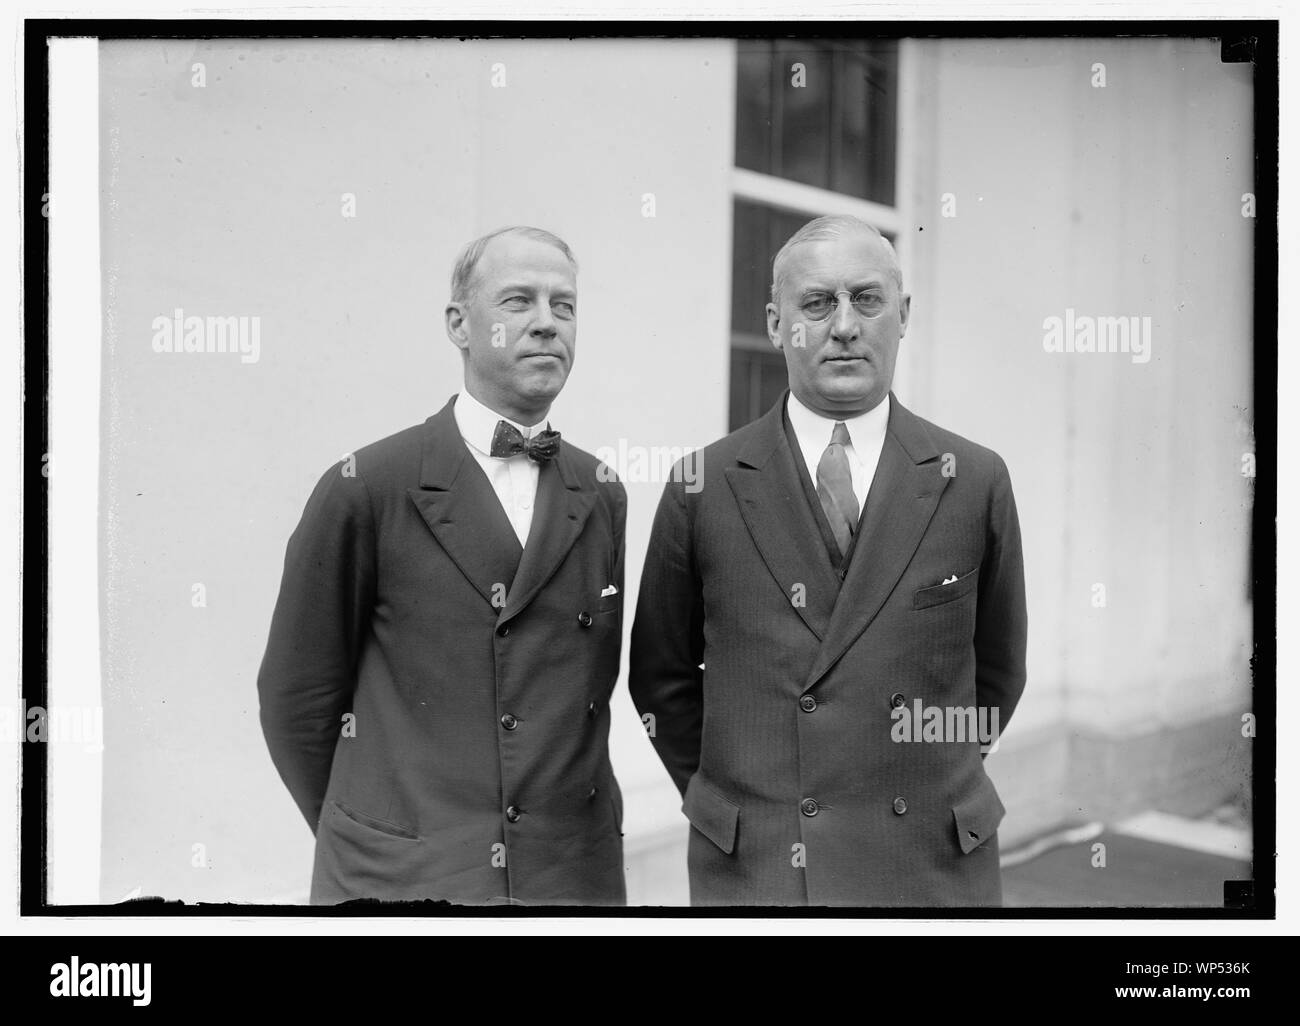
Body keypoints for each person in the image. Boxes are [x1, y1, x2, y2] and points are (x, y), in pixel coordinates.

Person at [630, 214, 1027, 906]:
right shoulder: (703, 484)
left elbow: (998, 669)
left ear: (902, 317)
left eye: (866, 299)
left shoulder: (974, 478)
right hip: (763, 874)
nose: (844, 325)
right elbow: (660, 677)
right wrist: (741, 799)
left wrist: (928, 771)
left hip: (928, 865)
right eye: (816, 303)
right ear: (776, 322)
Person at [258, 226, 627, 905]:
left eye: (564, 305)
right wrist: (372, 834)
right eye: (519, 301)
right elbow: (295, 701)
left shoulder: (601, 491)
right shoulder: (367, 484)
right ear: (460, 324)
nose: (547, 323)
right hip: (403, 884)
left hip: (571, 882)